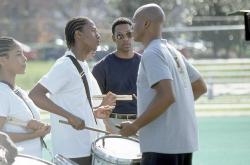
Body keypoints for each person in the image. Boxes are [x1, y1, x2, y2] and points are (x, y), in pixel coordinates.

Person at [120, 4, 207, 165]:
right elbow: (200, 86)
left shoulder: (152, 53)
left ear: (146, 23)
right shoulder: (172, 51)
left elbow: (166, 96)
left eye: (134, 23)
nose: (131, 29)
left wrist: (135, 126)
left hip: (161, 147)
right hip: (183, 144)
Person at [29, 17, 116, 165]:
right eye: (93, 30)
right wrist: (69, 117)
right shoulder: (65, 65)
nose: (98, 35)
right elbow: (35, 95)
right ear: (78, 35)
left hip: (88, 147)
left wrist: (94, 112)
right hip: (73, 152)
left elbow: (76, 104)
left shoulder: (82, 64)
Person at [0, 37, 51, 158]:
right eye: (18, 54)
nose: (25, 58)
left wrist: (38, 128)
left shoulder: (19, 91)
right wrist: (34, 135)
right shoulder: (1, 93)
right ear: (2, 60)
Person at [92, 17, 141, 133]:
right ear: (114, 38)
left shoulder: (146, 63)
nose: (126, 39)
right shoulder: (101, 67)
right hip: (113, 124)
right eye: (120, 36)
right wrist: (107, 126)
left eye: (129, 34)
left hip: (141, 122)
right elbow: (94, 102)